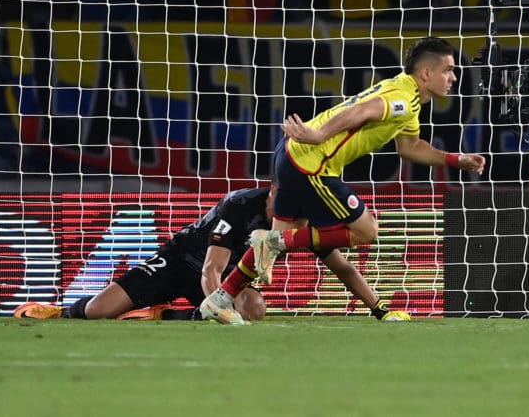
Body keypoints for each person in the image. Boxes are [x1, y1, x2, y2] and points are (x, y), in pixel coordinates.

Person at [200, 36, 486, 325]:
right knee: (366, 230)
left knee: (271, 247)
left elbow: (410, 147)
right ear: (426, 74)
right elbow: (361, 111)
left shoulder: (405, 94)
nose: (454, 76)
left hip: (291, 154)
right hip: (313, 162)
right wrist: (320, 135)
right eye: (448, 69)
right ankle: (272, 242)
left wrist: (455, 159)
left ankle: (218, 300)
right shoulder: (402, 99)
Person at [13, 185, 409, 323]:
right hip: (183, 261)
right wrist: (221, 309)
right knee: (100, 311)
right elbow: (210, 268)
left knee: (254, 308)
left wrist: (379, 308)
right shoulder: (238, 206)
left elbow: (342, 267)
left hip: (222, 283)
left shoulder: (301, 221)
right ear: (272, 193)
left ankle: (168, 315)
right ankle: (62, 310)